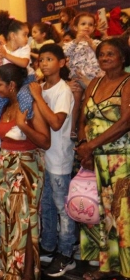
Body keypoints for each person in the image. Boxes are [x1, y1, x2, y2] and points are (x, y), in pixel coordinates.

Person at [0, 64, 50, 280]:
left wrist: (23, 127)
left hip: (26, 168)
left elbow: (45, 141)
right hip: (6, 167)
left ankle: (25, 274)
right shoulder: (5, 106)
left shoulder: (29, 106)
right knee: (6, 219)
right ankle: (8, 270)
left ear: (12, 85)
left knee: (23, 222)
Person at [76, 38, 130, 280]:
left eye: (111, 54)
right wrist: (82, 146)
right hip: (95, 159)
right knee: (101, 214)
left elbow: (126, 122)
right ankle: (106, 267)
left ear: (123, 57)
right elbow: (83, 118)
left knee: (123, 215)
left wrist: (91, 145)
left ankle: (127, 269)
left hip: (123, 161)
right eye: (102, 55)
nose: (105, 58)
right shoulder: (95, 83)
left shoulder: (128, 82)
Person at [28, 44, 76, 277]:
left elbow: (56, 123)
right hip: (42, 157)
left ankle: (66, 254)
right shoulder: (42, 87)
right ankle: (48, 246)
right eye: (41, 60)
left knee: (62, 208)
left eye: (49, 59)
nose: (44, 63)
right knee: (45, 205)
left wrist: (37, 96)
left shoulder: (62, 91)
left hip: (59, 158)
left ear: (62, 62)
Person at [0, 11, 36, 149]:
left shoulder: (24, 48)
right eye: (25, 34)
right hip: (9, 85)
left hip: (26, 80)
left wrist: (6, 55)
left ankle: (21, 128)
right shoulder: (1, 50)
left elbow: (24, 63)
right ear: (13, 36)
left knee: (24, 96)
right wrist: (0, 58)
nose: (27, 38)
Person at [63, 12, 103, 139]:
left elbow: (101, 54)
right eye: (83, 24)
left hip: (94, 79)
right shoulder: (71, 43)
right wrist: (76, 41)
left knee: (89, 103)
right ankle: (72, 127)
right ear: (75, 27)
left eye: (90, 24)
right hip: (78, 77)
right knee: (75, 101)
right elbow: (65, 53)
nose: (87, 27)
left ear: (94, 28)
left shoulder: (96, 42)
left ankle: (87, 128)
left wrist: (91, 44)